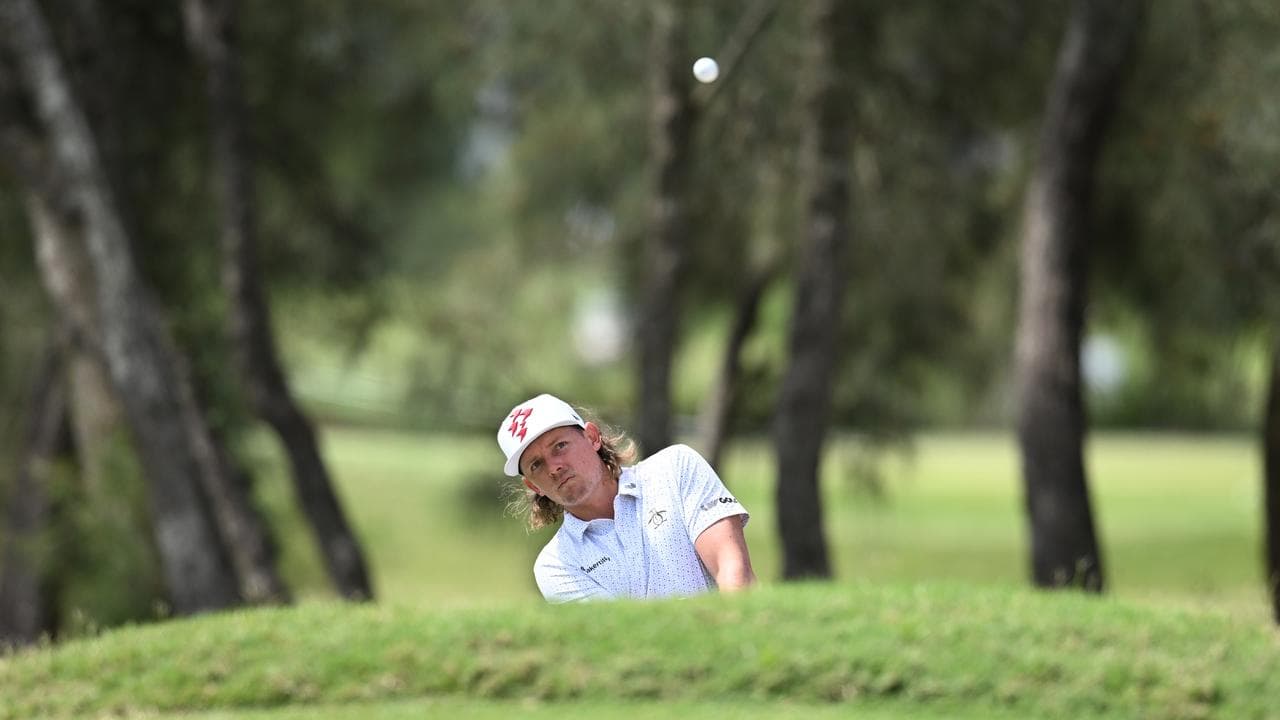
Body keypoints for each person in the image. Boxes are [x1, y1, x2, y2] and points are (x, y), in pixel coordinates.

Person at [497, 393, 756, 603]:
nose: (554, 467)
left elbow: (733, 573)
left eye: (560, 446)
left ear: (592, 437)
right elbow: (621, 639)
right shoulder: (555, 565)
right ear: (533, 485)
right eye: (536, 465)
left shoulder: (675, 469)